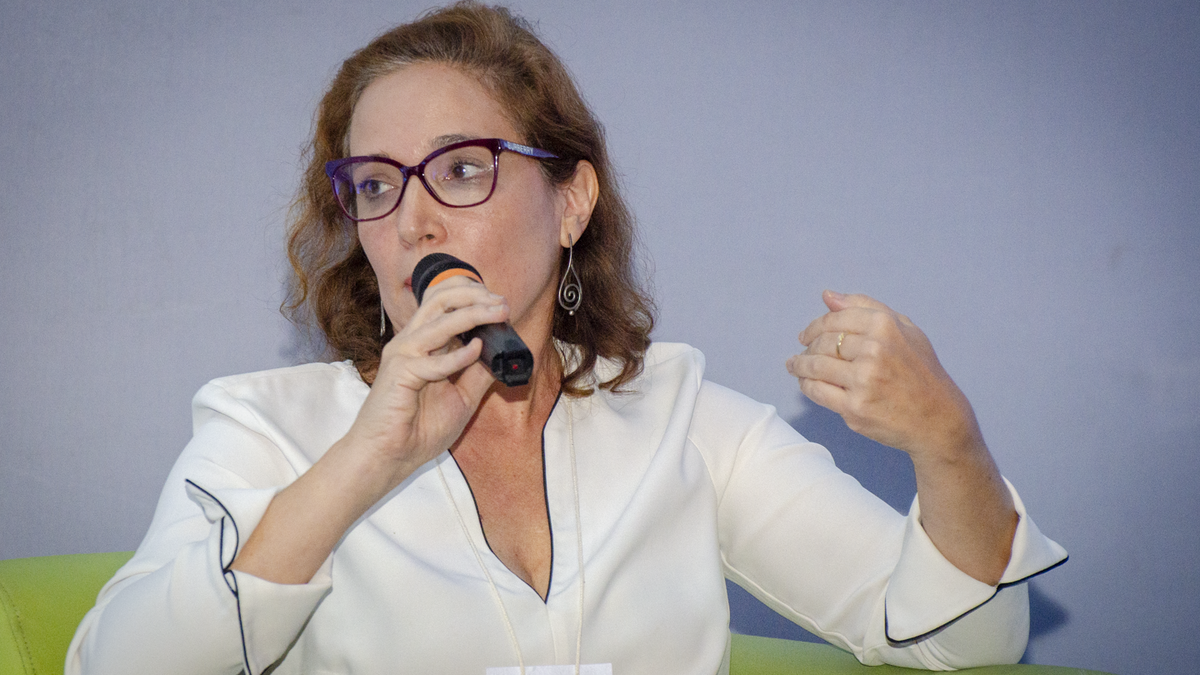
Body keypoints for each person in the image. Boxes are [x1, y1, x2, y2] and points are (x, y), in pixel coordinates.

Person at [66, 3, 1066, 674]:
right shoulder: (266, 425)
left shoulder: (682, 418)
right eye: (374, 184)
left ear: (572, 200)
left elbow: (969, 640)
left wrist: (950, 441)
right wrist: (366, 459)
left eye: (461, 169)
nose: (413, 220)